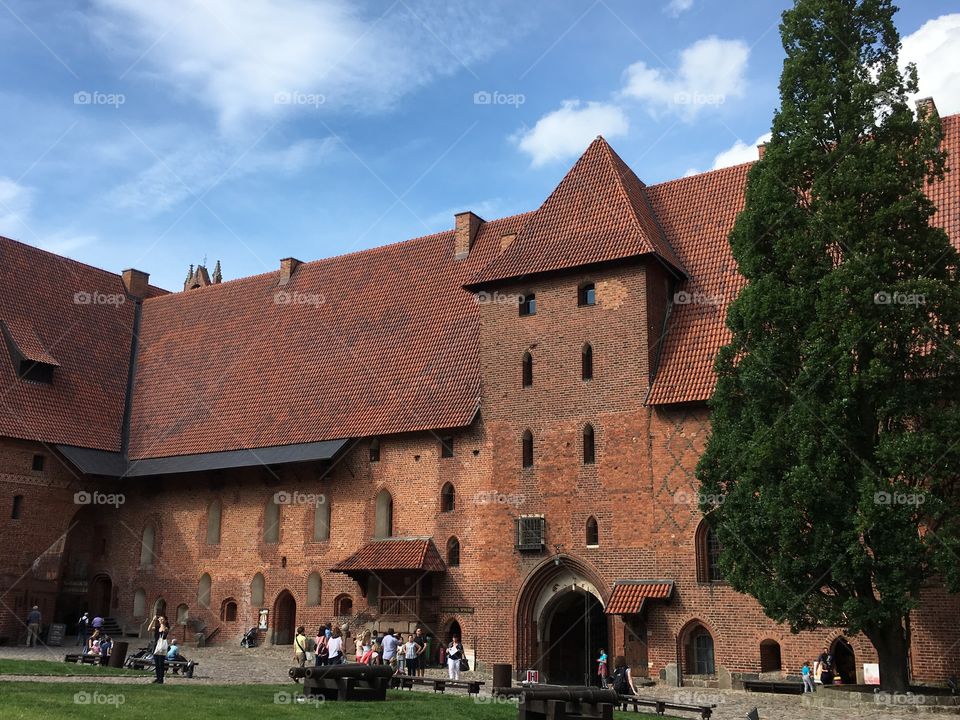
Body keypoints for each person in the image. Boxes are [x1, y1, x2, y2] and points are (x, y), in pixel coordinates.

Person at [148, 614, 169, 684]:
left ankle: (161, 679)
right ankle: (157, 677)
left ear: (165, 621)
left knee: (161, 663)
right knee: (156, 663)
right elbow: (149, 629)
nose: (160, 620)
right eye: (160, 619)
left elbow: (164, 635)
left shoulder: (166, 628)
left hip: (162, 647)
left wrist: (163, 624)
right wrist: (153, 620)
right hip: (156, 646)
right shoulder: (157, 627)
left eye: (162, 619)